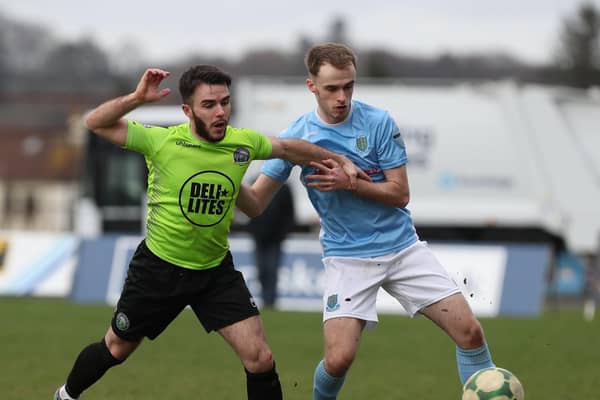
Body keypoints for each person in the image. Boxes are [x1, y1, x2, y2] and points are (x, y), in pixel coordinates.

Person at [53, 65, 366, 400]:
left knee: (260, 358)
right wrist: (137, 98)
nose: (220, 112)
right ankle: (66, 395)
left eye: (225, 102)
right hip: (159, 270)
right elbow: (95, 123)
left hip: (214, 272)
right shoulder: (161, 141)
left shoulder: (242, 144)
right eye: (209, 105)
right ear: (188, 110)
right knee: (115, 348)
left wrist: (337, 160)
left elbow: (290, 149)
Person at [236, 43, 496, 399]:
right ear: (311, 86)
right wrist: (223, 178)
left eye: (349, 86)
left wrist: (352, 183)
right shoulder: (296, 137)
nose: (342, 97)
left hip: (403, 250)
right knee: (339, 359)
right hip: (347, 258)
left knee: (471, 334)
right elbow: (255, 203)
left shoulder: (378, 122)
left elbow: (400, 193)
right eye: (331, 88)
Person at [246, 181, 295, 308]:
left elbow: (289, 213)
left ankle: (270, 301)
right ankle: (265, 299)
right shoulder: (254, 181)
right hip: (259, 237)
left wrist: (283, 233)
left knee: (272, 269)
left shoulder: (284, 188)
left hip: (275, 238)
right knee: (262, 270)